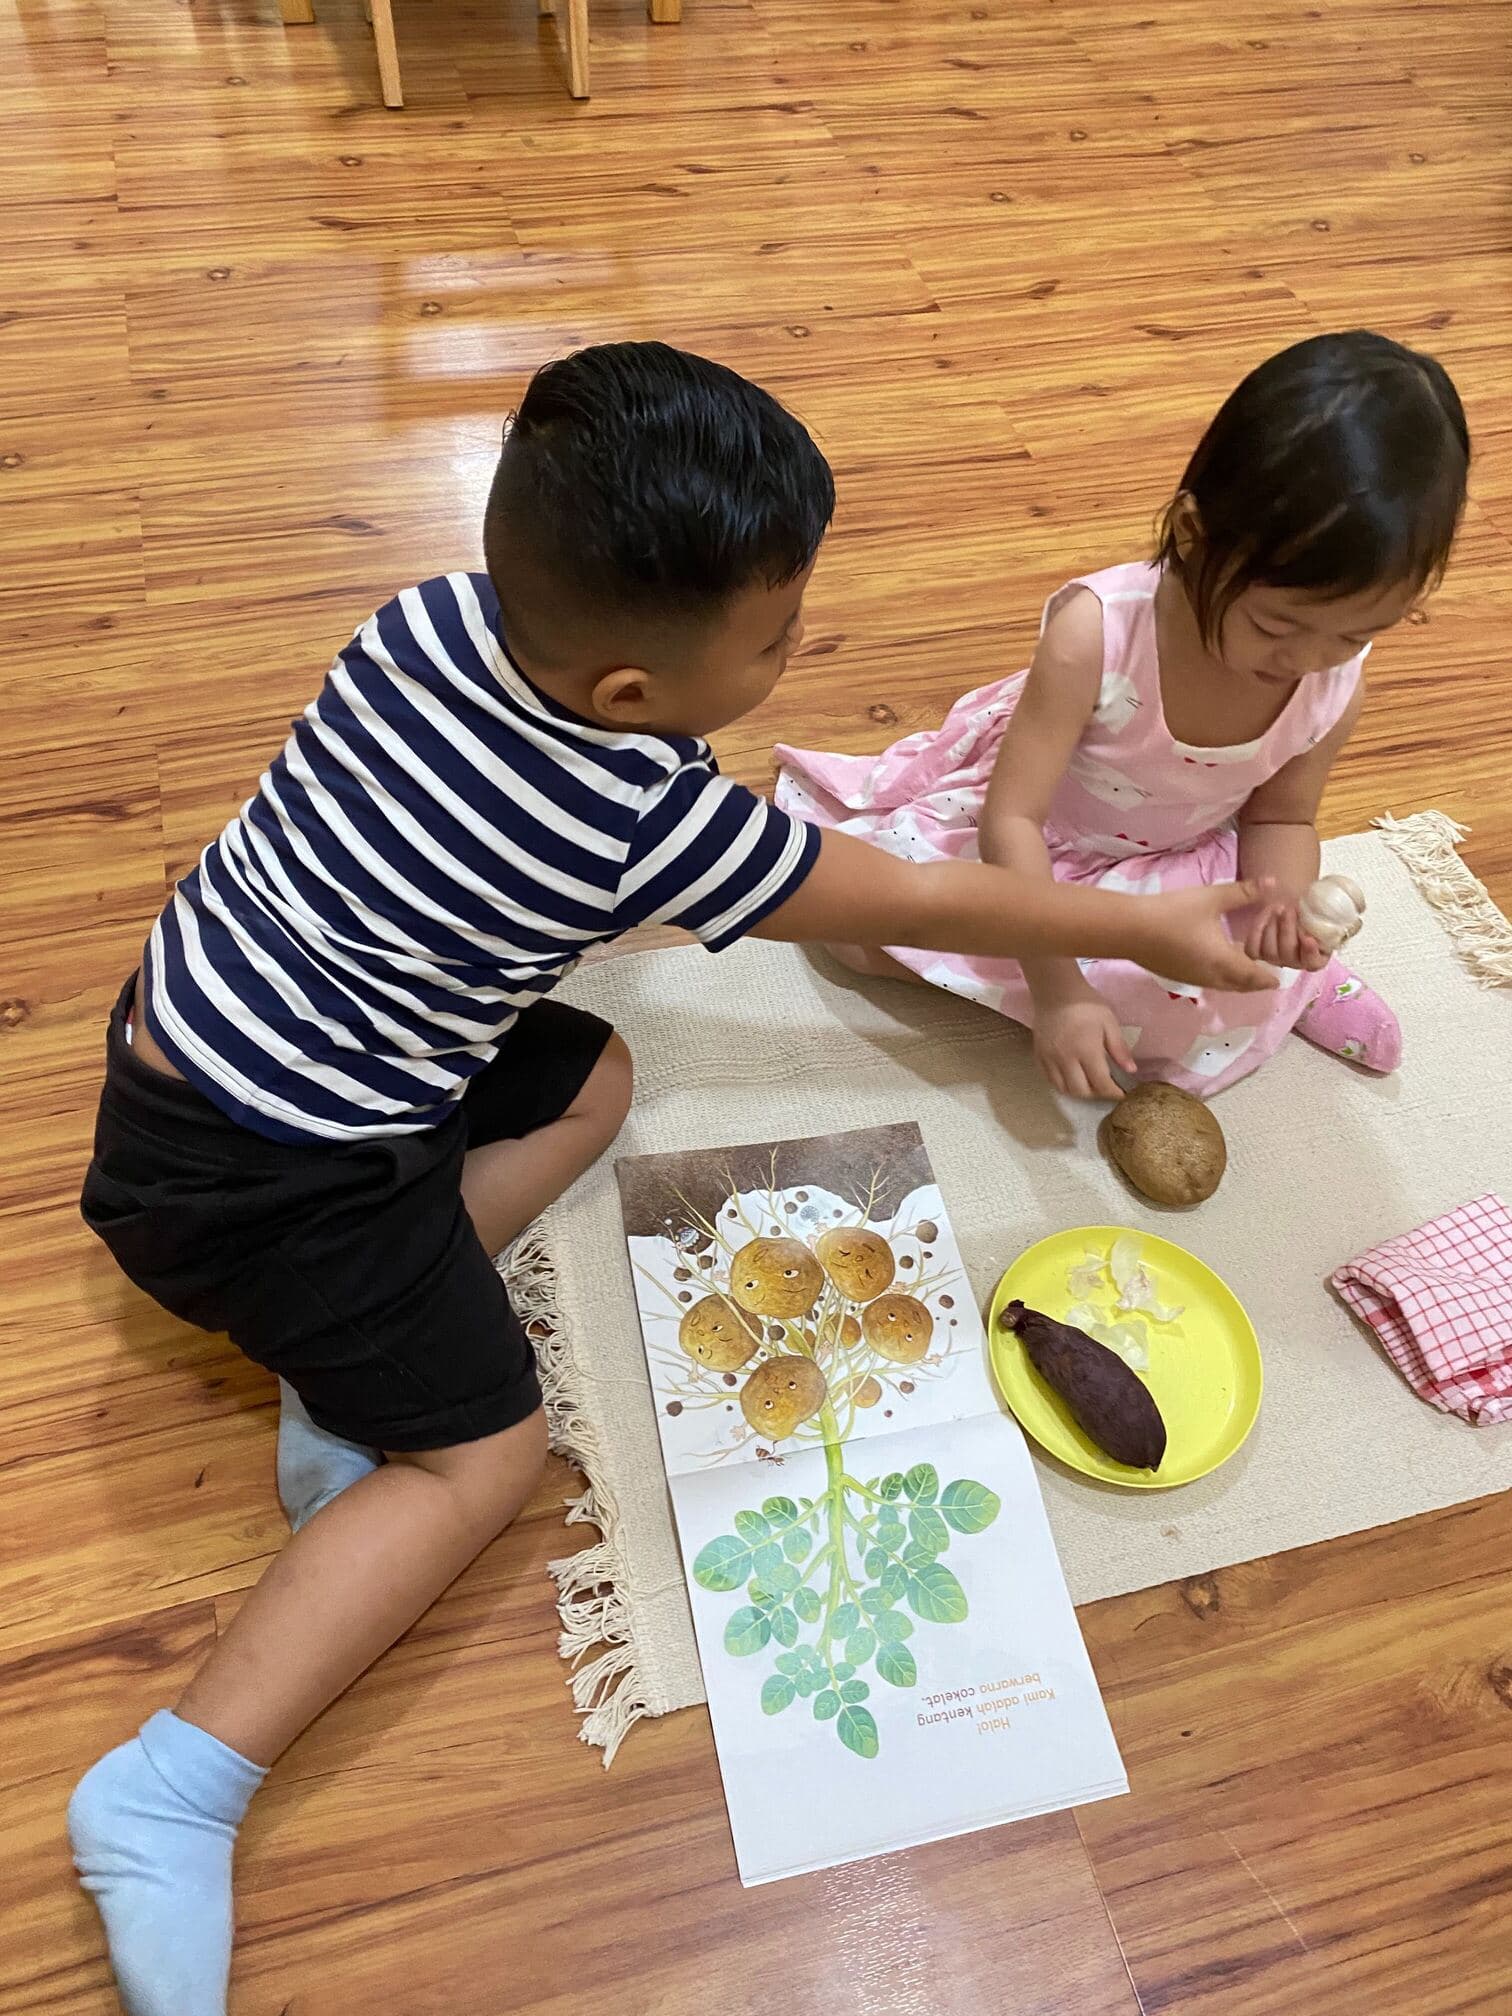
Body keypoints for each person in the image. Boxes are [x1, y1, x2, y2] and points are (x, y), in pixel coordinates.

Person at [70, 341, 1273, 2016]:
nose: (800, 651)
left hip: (190, 1042)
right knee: (483, 1462)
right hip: (260, 1184)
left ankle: (349, 1347)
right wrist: (1144, 923)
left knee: (599, 1079)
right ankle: (173, 1783)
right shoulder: (641, 817)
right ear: (632, 693)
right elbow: (912, 901)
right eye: (776, 638)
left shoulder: (423, 618)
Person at [777, 331, 1470, 1100]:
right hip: (1036, 843)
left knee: (1213, 975)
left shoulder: (1335, 680)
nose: (1310, 660)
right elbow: (1010, 823)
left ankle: (1308, 979)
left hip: (1180, 856)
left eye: (1357, 634)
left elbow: (1282, 819)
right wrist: (1058, 988)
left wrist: (1278, 907)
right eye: (1278, 627)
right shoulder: (1095, 635)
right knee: (854, 936)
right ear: (1190, 534)